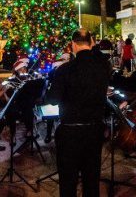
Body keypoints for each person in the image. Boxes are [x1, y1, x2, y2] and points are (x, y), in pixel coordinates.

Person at [45, 29, 110, 197]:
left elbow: (52, 99)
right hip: (94, 131)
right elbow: (100, 57)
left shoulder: (64, 70)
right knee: (91, 180)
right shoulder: (104, 67)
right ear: (92, 43)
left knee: (68, 181)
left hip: (69, 132)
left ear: (73, 44)